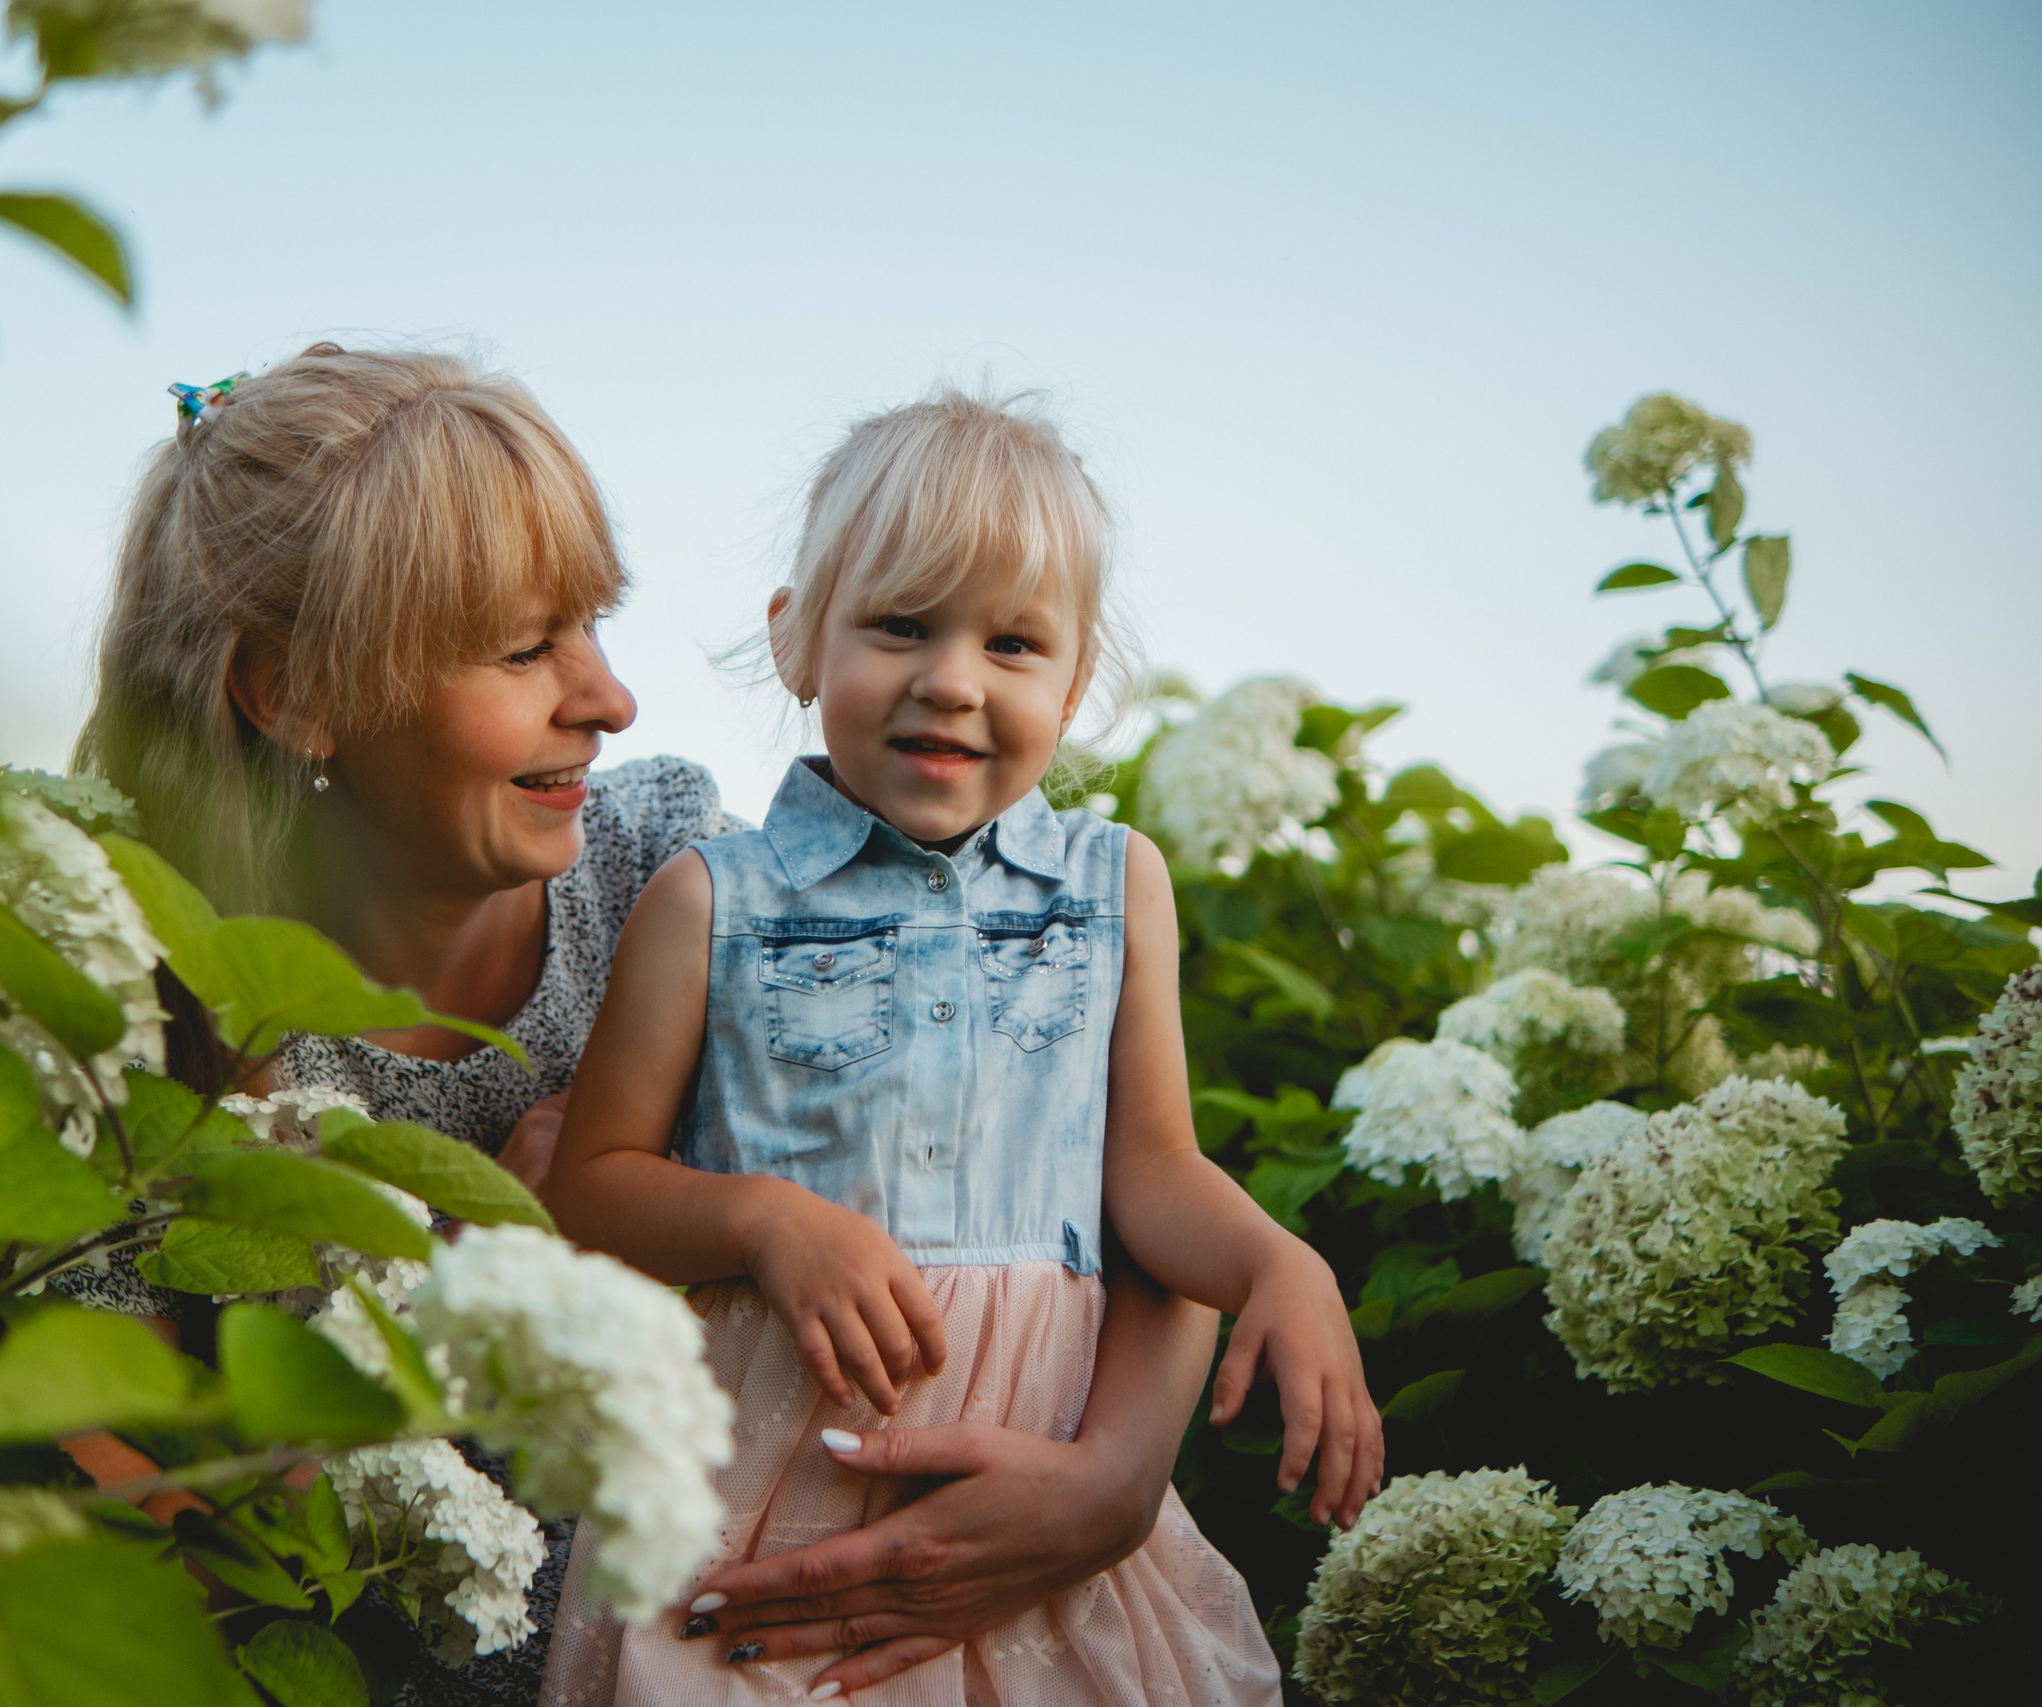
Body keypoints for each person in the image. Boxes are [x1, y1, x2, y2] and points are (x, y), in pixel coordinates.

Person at [67, 347, 1230, 1706]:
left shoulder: (659, 879)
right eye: (523, 648)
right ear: (295, 694)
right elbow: (139, 1569)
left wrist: (1119, 1480)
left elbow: (1076, 1146)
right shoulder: (125, 1041)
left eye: (591, 626)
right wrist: (477, 1295)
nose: (608, 699)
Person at [540, 390, 1384, 1704]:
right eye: (900, 625)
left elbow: (1152, 1172)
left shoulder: (1114, 887)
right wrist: (764, 1220)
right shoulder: (714, 900)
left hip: (1037, 1484)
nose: (952, 679)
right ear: (797, 639)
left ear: (1078, 673)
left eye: (1014, 643)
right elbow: (589, 1190)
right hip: (763, 1495)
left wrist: (1280, 1264)